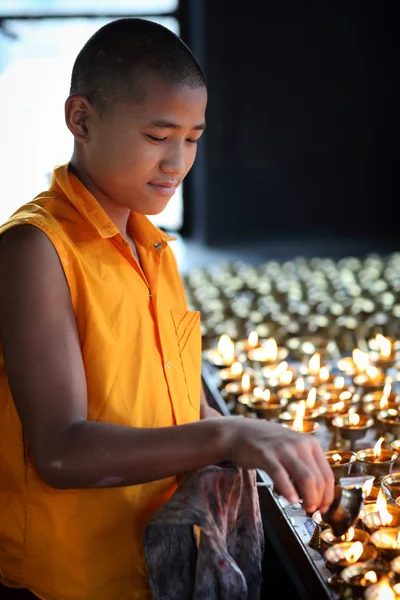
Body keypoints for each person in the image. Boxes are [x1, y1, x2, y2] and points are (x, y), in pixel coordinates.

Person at [0, 17, 335, 600]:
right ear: (81, 119)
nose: (178, 161)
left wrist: (272, 439)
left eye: (194, 137)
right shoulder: (37, 249)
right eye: (158, 137)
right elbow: (60, 450)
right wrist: (228, 435)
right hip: (69, 581)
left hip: (156, 566)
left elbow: (174, 408)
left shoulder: (153, 248)